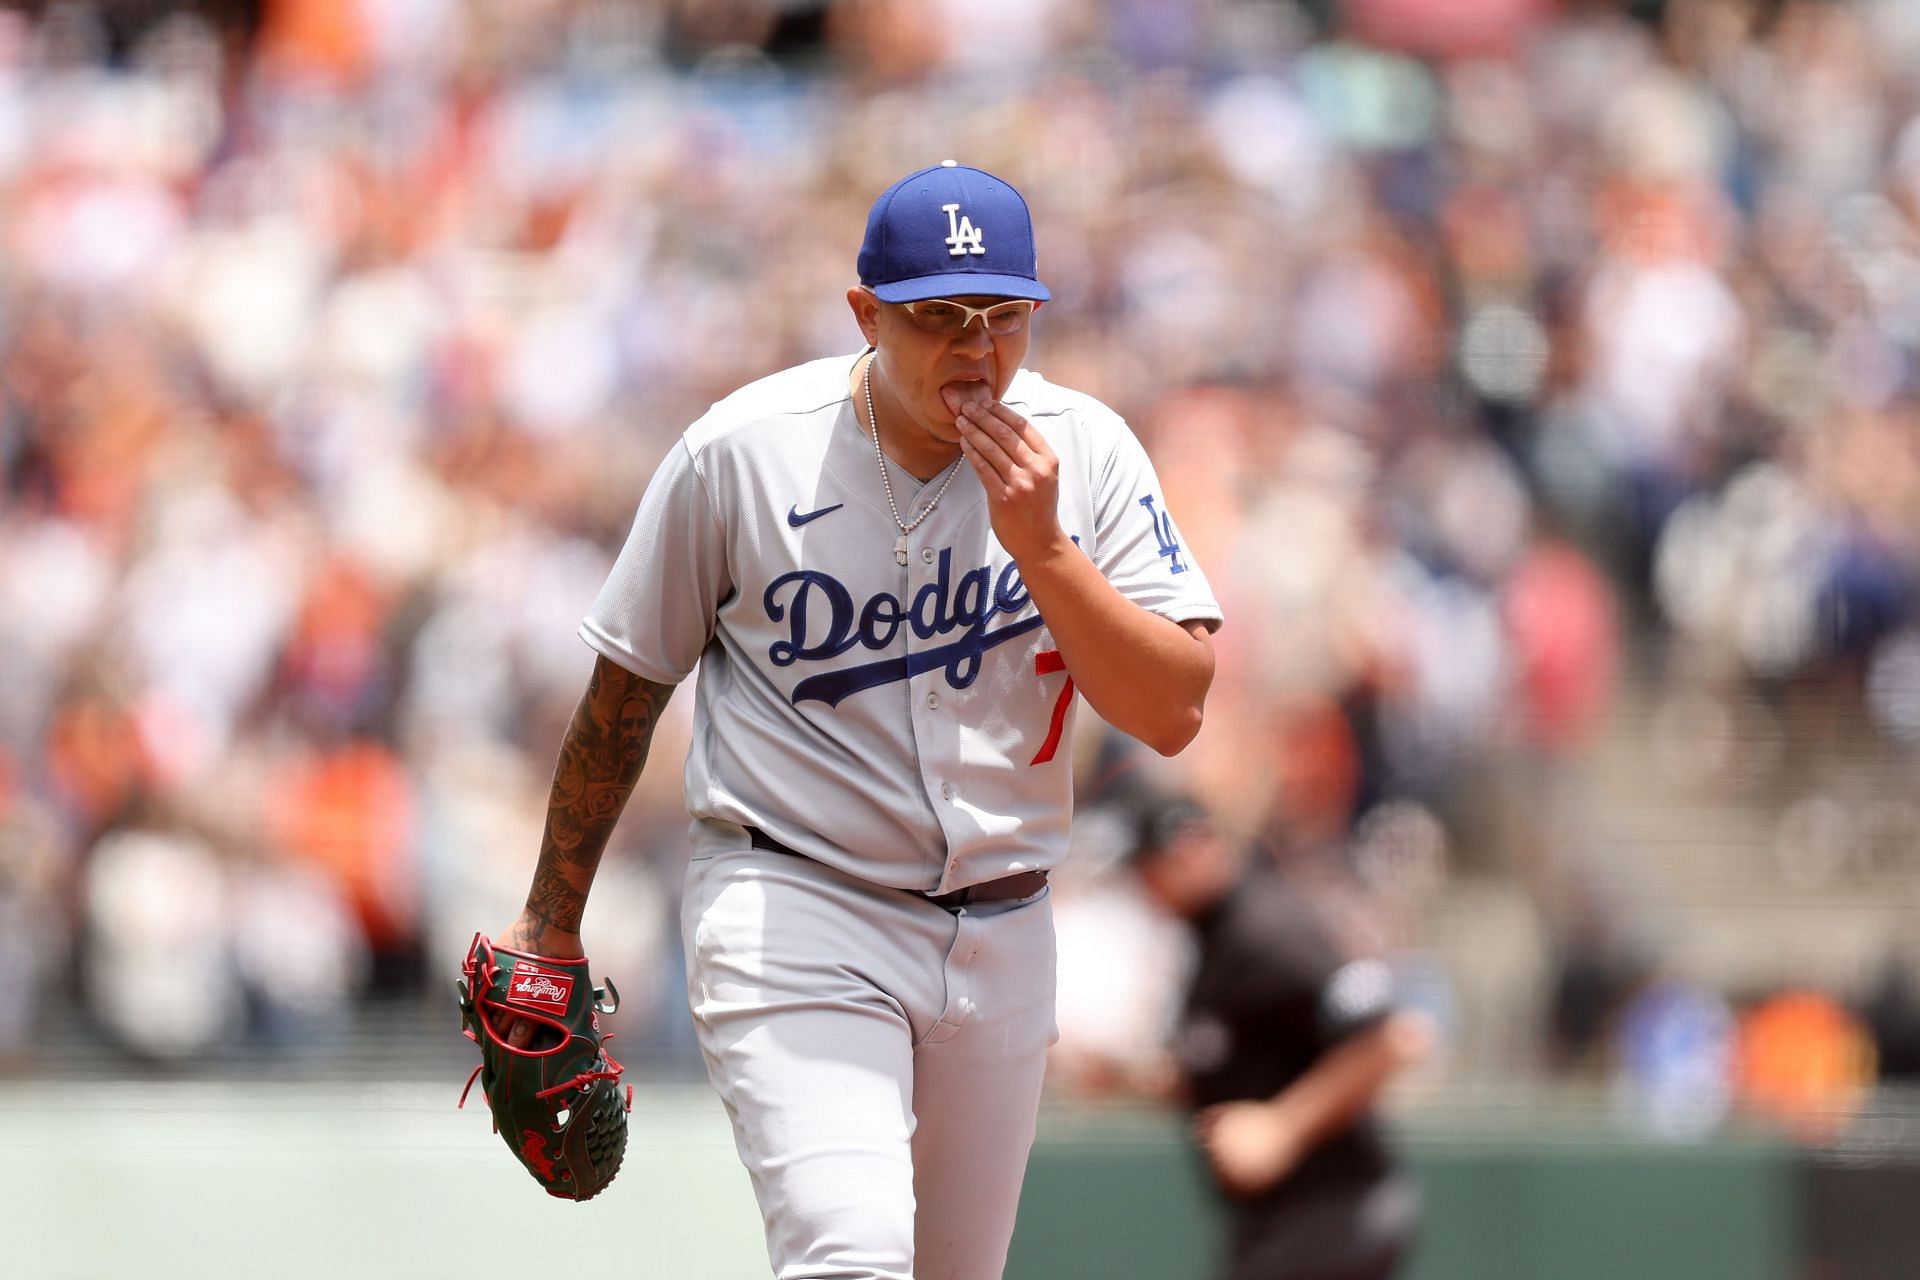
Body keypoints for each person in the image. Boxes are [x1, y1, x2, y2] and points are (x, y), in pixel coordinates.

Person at [488, 161, 1223, 1279]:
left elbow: (1172, 708)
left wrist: (1049, 552)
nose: (977, 352)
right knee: (851, 1254)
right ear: (866, 313)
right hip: (799, 902)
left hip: (1005, 922)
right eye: (939, 318)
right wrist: (549, 922)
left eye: (1004, 318)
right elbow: (624, 696)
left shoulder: (1089, 453)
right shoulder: (742, 451)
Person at [1125, 795, 1431, 1280]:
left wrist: (1284, 1126)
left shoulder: (1265, 928)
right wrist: (1123, 1081)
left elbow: (1393, 1038)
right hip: (1285, 1220)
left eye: (1154, 866)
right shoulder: (1211, 938)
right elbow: (1229, 1062)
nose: (1146, 886)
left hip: (1336, 1206)